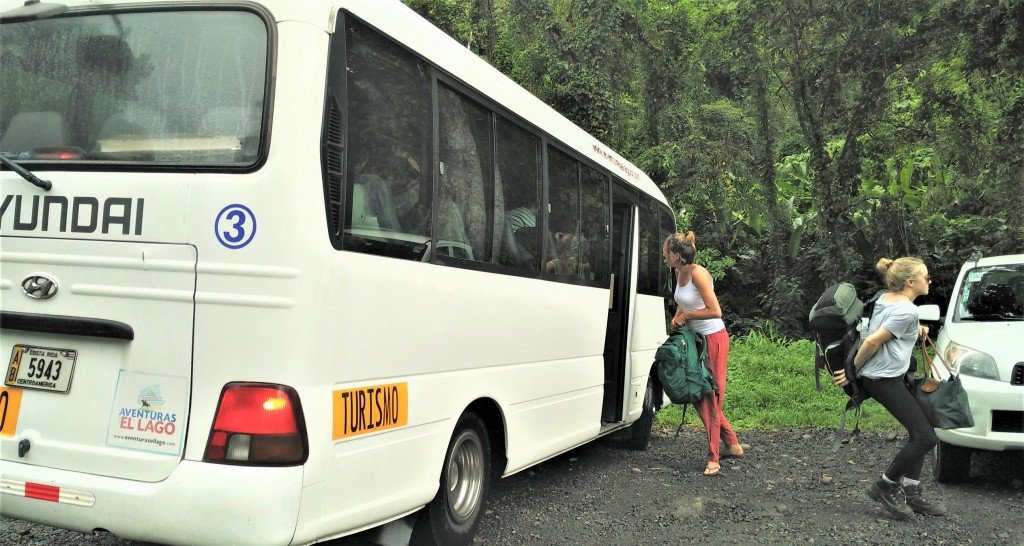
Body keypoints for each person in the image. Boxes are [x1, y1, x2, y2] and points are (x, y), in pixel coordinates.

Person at [832, 257, 946, 520]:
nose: (929, 281)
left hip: (886, 376)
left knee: (919, 429)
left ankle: (912, 493)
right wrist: (852, 372)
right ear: (910, 282)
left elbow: (889, 323)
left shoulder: (886, 297)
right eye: (925, 277)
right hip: (883, 379)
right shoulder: (908, 310)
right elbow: (872, 340)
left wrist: (914, 330)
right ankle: (884, 486)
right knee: (926, 437)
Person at [663, 232, 743, 477]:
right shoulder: (678, 272)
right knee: (697, 392)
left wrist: (686, 316)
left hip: (714, 339)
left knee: (711, 395)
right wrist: (678, 316)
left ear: (677, 255)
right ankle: (732, 443)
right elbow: (683, 301)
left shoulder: (697, 273)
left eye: (666, 252)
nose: (663, 256)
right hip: (695, 339)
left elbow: (715, 310)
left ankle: (714, 458)